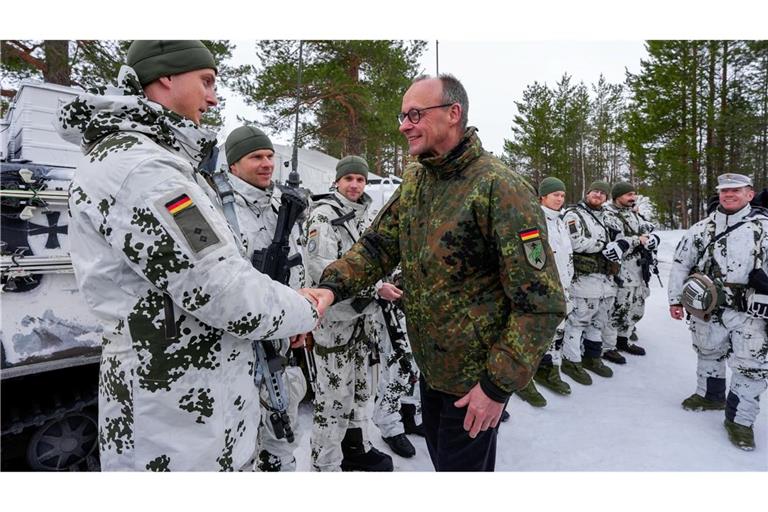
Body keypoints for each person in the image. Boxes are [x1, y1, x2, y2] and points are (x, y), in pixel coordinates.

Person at [56, 40, 326, 471]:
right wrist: (306, 309)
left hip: (192, 415)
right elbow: (224, 290)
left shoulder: (155, 162)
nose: (214, 97)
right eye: (206, 81)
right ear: (166, 76)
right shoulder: (145, 171)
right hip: (177, 431)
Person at [312, 75, 565, 471]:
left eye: (414, 114)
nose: (403, 125)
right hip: (430, 370)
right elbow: (379, 244)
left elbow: (541, 303)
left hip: (473, 385)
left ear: (453, 113)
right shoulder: (417, 178)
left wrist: (496, 388)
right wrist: (330, 286)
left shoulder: (500, 188)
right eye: (402, 115)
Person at [222, 125, 309, 471]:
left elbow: (297, 266)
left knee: (283, 437)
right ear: (233, 166)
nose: (266, 163)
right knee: (238, 449)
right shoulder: (220, 211)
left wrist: (301, 319)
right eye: (256, 157)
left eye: (270, 156)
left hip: (281, 343)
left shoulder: (283, 208)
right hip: (239, 351)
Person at [305, 155, 395, 472]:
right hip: (334, 323)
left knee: (359, 389)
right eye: (349, 179)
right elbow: (322, 271)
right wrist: (374, 290)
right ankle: (325, 464)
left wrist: (382, 282)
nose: (355, 185)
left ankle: (356, 448)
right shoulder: (323, 218)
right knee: (333, 398)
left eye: (360, 179)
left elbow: (368, 263)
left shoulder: (361, 217)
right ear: (337, 181)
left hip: (360, 320)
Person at [668, 173, 768, 451]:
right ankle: (710, 396)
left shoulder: (764, 228)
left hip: (752, 312)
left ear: (750, 194)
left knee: (752, 366)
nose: (729, 195)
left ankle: (740, 422)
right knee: (707, 350)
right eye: (724, 191)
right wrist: (676, 300)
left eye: (736, 190)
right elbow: (680, 264)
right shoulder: (700, 229)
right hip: (708, 308)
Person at [561, 181, 625, 384]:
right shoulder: (574, 215)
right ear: (587, 193)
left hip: (606, 279)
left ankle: (592, 357)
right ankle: (571, 361)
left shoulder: (608, 217)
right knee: (579, 320)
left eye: (602, 193)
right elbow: (574, 241)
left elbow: (620, 239)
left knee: (599, 321)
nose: (598, 195)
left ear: (606, 198)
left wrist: (621, 245)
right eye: (595, 191)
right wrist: (604, 246)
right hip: (584, 279)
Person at [520, 177, 575, 403]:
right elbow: (533, 256)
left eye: (562, 195)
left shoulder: (560, 221)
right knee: (533, 335)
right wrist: (542, 286)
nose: (560, 199)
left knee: (556, 333)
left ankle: (548, 369)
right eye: (555, 195)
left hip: (563, 287)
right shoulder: (533, 218)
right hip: (542, 289)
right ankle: (522, 380)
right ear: (542, 196)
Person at [601, 182, 658, 363]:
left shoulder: (634, 214)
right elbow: (613, 241)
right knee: (616, 309)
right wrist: (637, 240)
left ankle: (623, 339)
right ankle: (607, 346)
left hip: (639, 270)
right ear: (617, 196)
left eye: (633, 194)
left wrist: (652, 239)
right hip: (620, 271)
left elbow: (648, 230)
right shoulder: (608, 215)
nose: (632, 197)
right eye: (628, 194)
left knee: (635, 306)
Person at [371, 280, 423, 457]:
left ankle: (410, 413)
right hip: (390, 297)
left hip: (417, 292)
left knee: (418, 360)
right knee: (397, 365)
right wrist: (379, 285)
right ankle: (389, 425)